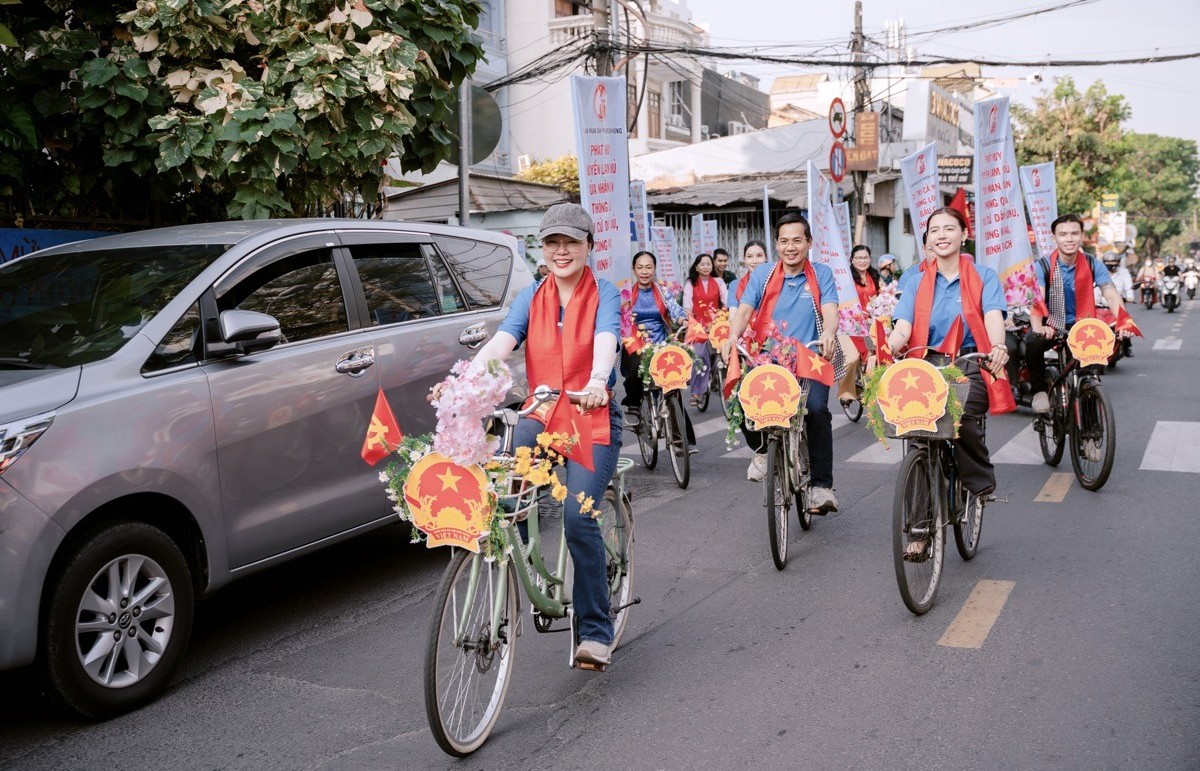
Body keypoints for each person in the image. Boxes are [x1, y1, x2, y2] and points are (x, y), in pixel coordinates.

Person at [437, 203, 622, 668]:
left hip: (587, 414)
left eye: (571, 242)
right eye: (552, 243)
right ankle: (526, 565)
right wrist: (465, 382)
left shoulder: (606, 293)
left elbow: (606, 338)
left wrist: (598, 382)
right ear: (542, 249)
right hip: (540, 414)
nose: (561, 251)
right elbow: (503, 343)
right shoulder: (532, 296)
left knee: (579, 518)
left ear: (588, 247)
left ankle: (595, 629)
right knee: (503, 494)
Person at [887, 207, 1008, 545]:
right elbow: (904, 323)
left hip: (970, 360)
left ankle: (978, 478)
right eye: (934, 230)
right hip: (925, 362)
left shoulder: (984, 275)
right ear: (927, 239)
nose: (941, 235)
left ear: (963, 235)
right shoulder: (914, 279)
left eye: (949, 228)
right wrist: (892, 343)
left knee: (961, 413)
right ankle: (921, 529)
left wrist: (997, 346)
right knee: (918, 434)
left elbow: (993, 315)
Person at [723, 211, 840, 513]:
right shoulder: (762, 275)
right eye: (784, 241)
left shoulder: (821, 274)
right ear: (776, 244)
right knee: (739, 401)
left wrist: (828, 333)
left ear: (808, 242)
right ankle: (763, 449)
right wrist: (732, 336)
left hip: (809, 359)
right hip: (769, 360)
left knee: (816, 410)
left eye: (797, 241)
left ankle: (821, 486)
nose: (791, 247)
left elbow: (830, 309)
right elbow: (745, 309)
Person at [1027, 214, 1127, 415]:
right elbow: (1037, 301)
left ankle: (1089, 433)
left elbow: (1110, 293)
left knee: (1089, 372)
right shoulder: (1043, 266)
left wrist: (1123, 321)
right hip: (1052, 326)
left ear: (1082, 237)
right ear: (1054, 238)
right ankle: (1039, 391)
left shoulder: (1093, 264)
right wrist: (1039, 327)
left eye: (1074, 233)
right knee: (1032, 341)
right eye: (1063, 234)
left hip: (1084, 327)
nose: (1069, 238)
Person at [620, 250, 696, 446]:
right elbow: (620, 318)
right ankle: (634, 405)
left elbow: (675, 309)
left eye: (648, 267)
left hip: (661, 342)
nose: (644, 271)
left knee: (673, 384)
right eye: (640, 267)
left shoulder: (662, 291)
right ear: (634, 270)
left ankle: (681, 441)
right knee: (637, 366)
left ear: (654, 269)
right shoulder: (626, 293)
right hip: (635, 343)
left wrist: (682, 320)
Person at [682, 252, 728, 407]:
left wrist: (722, 317)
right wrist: (692, 321)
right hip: (698, 325)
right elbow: (687, 306)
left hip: (716, 323)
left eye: (709, 264)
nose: (706, 267)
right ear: (696, 266)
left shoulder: (719, 281)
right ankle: (696, 391)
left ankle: (719, 380)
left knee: (726, 351)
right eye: (702, 264)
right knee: (699, 354)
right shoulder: (691, 283)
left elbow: (726, 302)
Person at [837, 244, 881, 404]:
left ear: (870, 259)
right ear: (852, 260)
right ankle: (846, 392)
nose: (862, 261)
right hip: (848, 325)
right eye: (858, 258)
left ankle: (874, 389)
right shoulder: (845, 279)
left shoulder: (875, 277)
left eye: (865, 257)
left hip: (870, 324)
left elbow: (882, 298)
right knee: (851, 358)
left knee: (876, 355)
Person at [732, 240, 769, 306]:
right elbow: (733, 313)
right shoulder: (735, 285)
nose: (754, 261)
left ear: (766, 258)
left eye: (759, 256)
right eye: (749, 256)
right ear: (744, 259)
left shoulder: (777, 282)